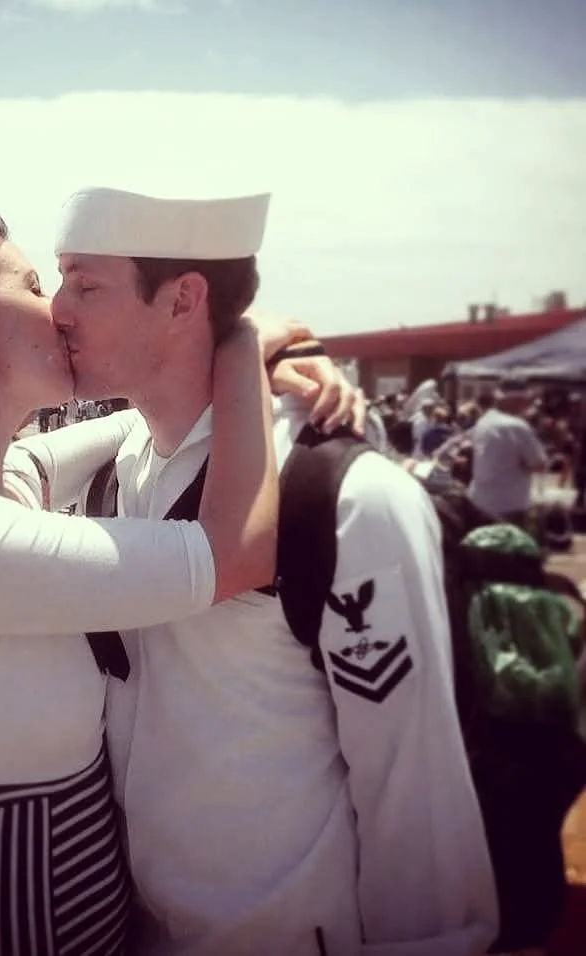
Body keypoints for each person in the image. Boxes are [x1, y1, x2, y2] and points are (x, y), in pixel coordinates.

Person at [0, 199, 352, 955]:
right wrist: (244, 342)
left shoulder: (2, 486)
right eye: (34, 285)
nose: (59, 310)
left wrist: (239, 360)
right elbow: (236, 555)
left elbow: (155, 406)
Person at [47, 186, 498, 955]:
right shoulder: (107, 480)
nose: (58, 308)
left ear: (184, 299)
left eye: (87, 285)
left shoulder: (345, 498)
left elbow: (414, 799)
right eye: (60, 279)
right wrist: (251, 349)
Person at [468, 377, 548, 524]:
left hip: (479, 501)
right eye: (524, 400)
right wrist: (522, 465)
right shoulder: (517, 426)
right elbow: (539, 464)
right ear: (515, 400)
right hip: (509, 504)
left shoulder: (483, 421)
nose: (526, 404)